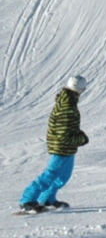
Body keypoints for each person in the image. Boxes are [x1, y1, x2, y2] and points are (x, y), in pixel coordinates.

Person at [18, 75, 89, 213]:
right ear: (80, 89)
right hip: (60, 147)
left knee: (63, 176)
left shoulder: (69, 102)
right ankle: (27, 200)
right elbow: (63, 134)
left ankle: (47, 198)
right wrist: (81, 139)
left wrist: (79, 136)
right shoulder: (67, 105)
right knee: (51, 174)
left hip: (67, 148)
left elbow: (69, 128)